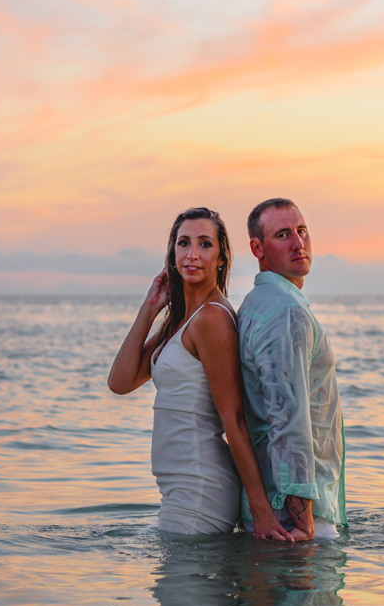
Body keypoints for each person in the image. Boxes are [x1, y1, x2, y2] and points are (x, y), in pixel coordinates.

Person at [108, 207, 291, 541]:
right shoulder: (182, 320)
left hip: (200, 489)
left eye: (205, 244)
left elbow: (234, 420)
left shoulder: (211, 319)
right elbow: (119, 382)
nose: (192, 254)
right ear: (172, 254)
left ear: (221, 258)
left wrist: (261, 510)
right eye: (183, 243)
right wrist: (150, 308)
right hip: (178, 488)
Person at [238, 198, 346, 541]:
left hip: (277, 510)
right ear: (258, 248)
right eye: (283, 235)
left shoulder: (256, 305)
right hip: (293, 518)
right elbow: (288, 420)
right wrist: (304, 521)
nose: (299, 243)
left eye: (302, 231)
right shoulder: (286, 313)